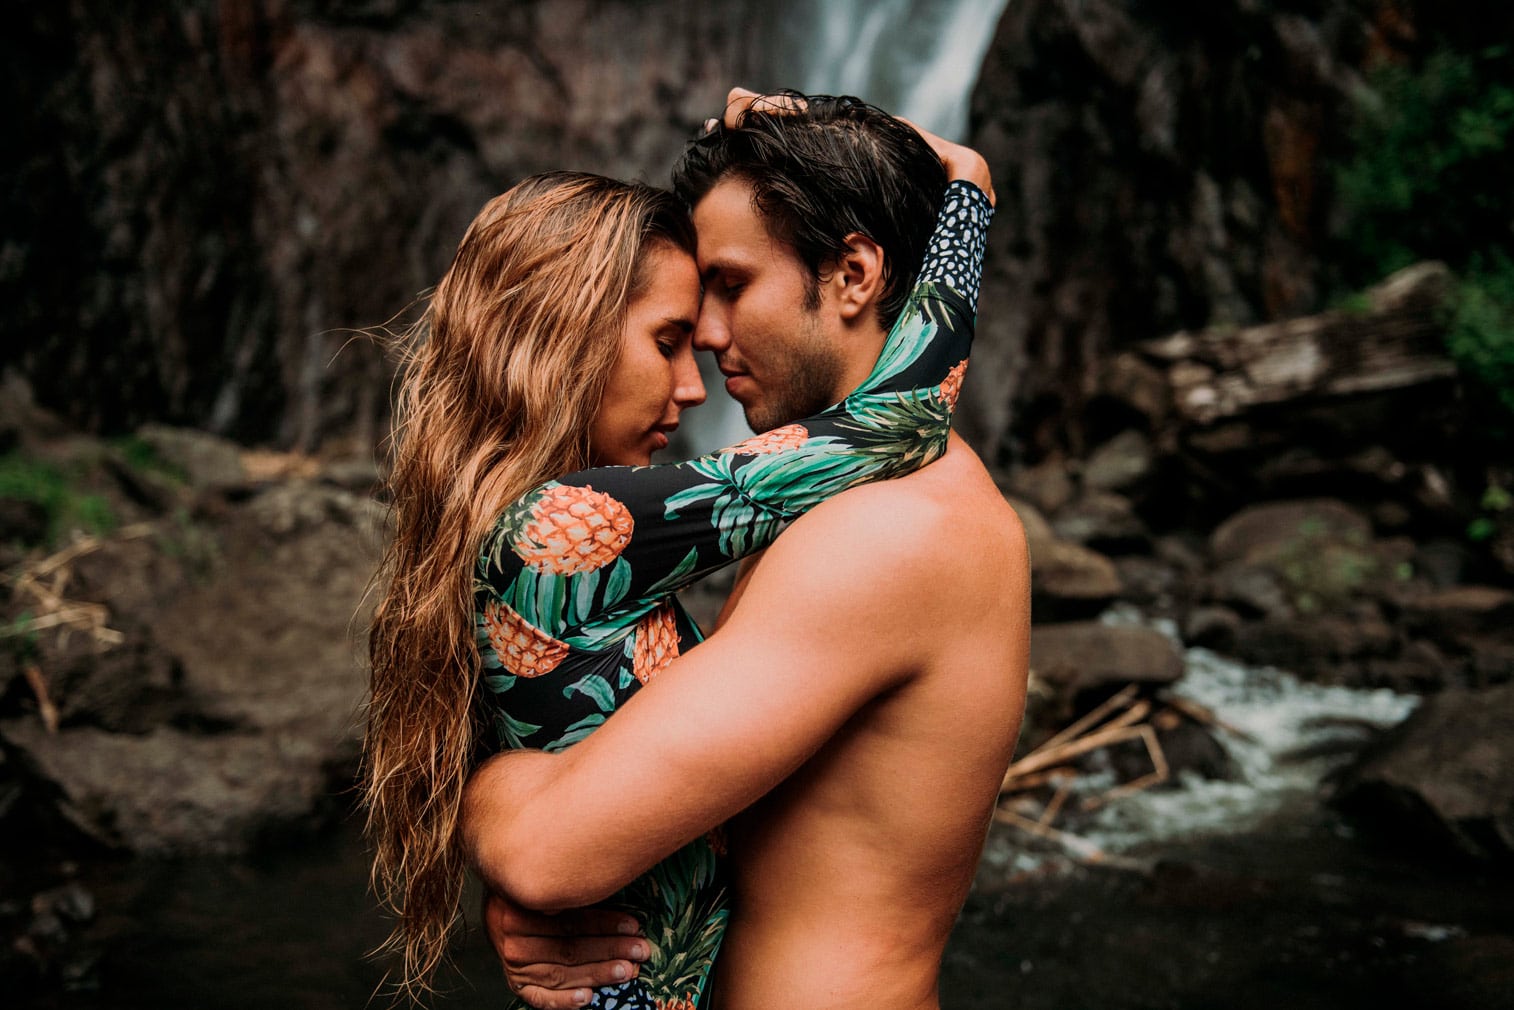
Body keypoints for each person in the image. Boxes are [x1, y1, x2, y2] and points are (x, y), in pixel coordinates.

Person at [363, 92, 999, 1008]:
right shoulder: (595, 527)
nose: (702, 353)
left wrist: (503, 810)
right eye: (672, 331)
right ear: (568, 345)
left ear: (854, 273)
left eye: (730, 286)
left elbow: (550, 850)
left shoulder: (894, 527)